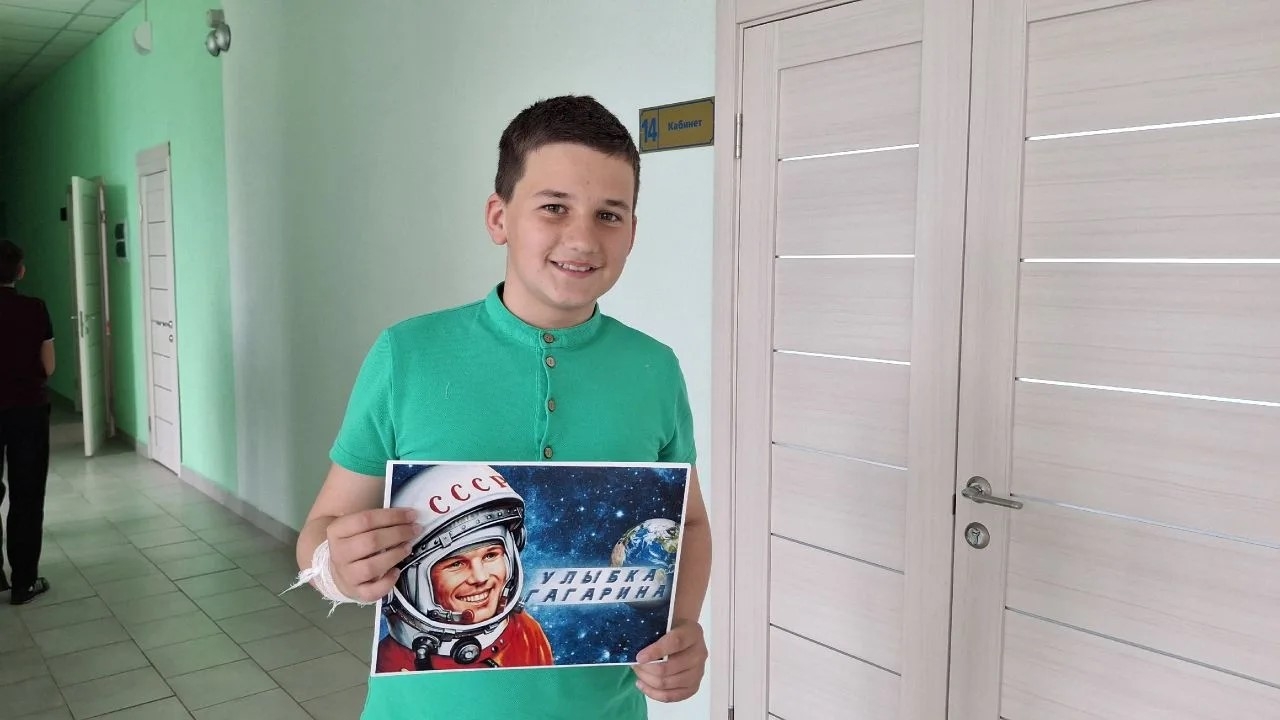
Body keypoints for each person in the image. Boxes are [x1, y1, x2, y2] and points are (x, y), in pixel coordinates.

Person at [294, 95, 712, 719]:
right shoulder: (407, 355)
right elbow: (320, 529)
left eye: (609, 214)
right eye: (553, 207)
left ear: (632, 232)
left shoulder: (654, 369)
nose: (582, 238)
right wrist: (335, 567)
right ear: (499, 218)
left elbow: (689, 525)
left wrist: (683, 630)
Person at [376, 463, 554, 672]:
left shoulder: (525, 632)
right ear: (409, 582)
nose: (480, 577)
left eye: (490, 555)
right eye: (456, 564)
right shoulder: (391, 665)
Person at [0, 239, 54, 605]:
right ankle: (24, 582)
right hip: (27, 410)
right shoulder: (35, 308)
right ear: (20, 271)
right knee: (27, 494)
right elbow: (48, 366)